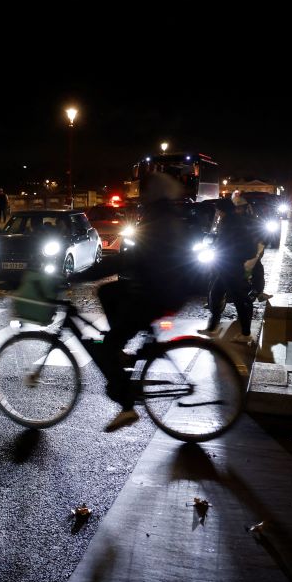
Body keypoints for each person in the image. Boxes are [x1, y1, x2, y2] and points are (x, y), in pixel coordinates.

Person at [90, 173, 191, 432]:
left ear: (154, 195)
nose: (142, 196)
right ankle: (121, 346)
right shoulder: (165, 216)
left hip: (156, 294)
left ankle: (127, 407)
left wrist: (80, 275)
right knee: (108, 292)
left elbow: (128, 259)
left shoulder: (158, 221)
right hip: (161, 289)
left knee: (104, 347)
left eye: (145, 192)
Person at [202, 194, 257, 344]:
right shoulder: (234, 221)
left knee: (238, 299)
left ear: (223, 210)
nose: (218, 213)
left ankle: (245, 333)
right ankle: (212, 327)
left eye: (219, 210)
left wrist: (217, 250)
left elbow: (226, 244)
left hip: (230, 265)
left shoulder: (230, 223)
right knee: (216, 293)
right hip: (229, 265)